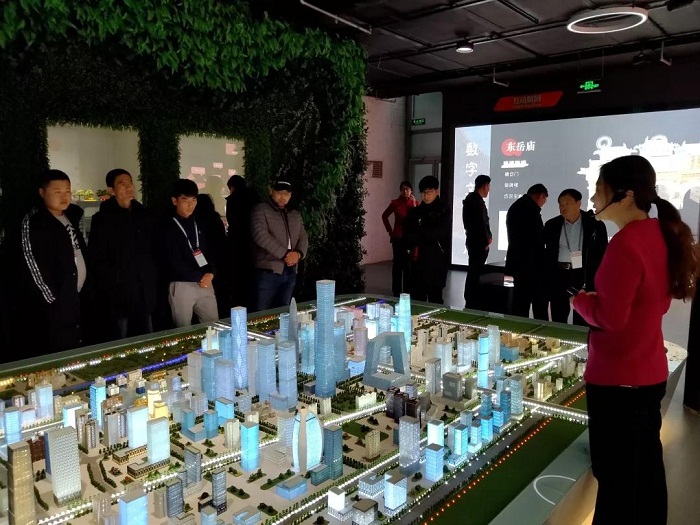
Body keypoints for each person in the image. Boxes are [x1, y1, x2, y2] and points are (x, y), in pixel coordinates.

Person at [572, 155, 698, 525]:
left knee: (616, 478)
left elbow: (611, 318)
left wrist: (581, 302)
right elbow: (651, 302)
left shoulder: (625, 244)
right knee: (645, 471)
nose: (593, 198)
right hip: (647, 371)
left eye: (599, 189)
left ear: (625, 195)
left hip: (617, 379)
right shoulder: (660, 234)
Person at [19, 169, 87, 355]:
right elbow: (32, 264)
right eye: (57, 192)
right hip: (55, 304)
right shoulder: (36, 222)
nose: (64, 197)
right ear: (42, 192)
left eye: (67, 192)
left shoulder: (71, 216)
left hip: (76, 297)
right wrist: (53, 299)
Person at [88, 169, 158, 341]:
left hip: (144, 287)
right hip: (118, 291)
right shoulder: (102, 219)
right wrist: (112, 281)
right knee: (120, 336)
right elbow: (98, 258)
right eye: (122, 184)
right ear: (111, 190)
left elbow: (152, 249)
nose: (128, 188)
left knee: (146, 335)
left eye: (130, 183)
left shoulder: (143, 215)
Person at [543, 188, 607, 325]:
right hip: (559, 274)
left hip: (583, 274)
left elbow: (602, 253)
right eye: (560, 204)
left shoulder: (595, 225)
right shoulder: (552, 225)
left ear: (579, 203)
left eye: (567, 203)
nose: (563, 207)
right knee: (558, 316)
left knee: (582, 317)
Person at [161, 179, 218, 327]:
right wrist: (200, 276)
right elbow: (170, 260)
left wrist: (211, 272)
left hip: (205, 281)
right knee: (183, 329)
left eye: (194, 200)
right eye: (185, 200)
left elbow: (209, 250)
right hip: (182, 283)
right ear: (174, 201)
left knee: (213, 326)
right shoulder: (166, 226)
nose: (191, 204)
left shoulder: (198, 222)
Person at [250, 179, 308, 311]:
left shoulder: (295, 213)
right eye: (279, 193)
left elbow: (303, 236)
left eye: (287, 194)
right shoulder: (261, 209)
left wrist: (298, 254)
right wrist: (285, 254)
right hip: (268, 270)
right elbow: (260, 235)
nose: (283, 197)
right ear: (271, 191)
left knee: (284, 311)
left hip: (291, 269)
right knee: (262, 312)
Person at [403, 175, 450, 304]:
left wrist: (420, 232)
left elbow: (437, 233)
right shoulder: (415, 211)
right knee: (417, 298)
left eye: (429, 191)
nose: (426, 195)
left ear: (437, 191)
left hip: (436, 260)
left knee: (435, 297)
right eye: (423, 192)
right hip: (418, 261)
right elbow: (408, 234)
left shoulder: (444, 210)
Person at [505, 183, 549, 320]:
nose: (544, 203)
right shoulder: (531, 209)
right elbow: (537, 238)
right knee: (538, 304)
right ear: (541, 196)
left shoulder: (516, 206)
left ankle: (518, 329)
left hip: (517, 263)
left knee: (519, 304)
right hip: (532, 266)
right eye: (545, 199)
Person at [194, 193, 229, 318]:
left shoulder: (196, 221)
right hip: (219, 260)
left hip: (204, 262)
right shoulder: (215, 219)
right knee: (220, 293)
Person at [381, 180, 418, 297]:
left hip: (410, 238)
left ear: (411, 190)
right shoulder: (395, 203)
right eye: (403, 189)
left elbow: (417, 219)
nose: (405, 191)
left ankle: (407, 290)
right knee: (397, 264)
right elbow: (384, 216)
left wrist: (414, 204)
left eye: (407, 189)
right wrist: (390, 231)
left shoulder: (415, 203)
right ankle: (396, 291)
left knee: (408, 266)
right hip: (398, 236)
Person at [225, 175, 257, 309]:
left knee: (238, 280)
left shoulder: (233, 200)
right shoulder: (256, 197)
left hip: (237, 244)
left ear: (232, 187)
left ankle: (239, 306)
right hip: (254, 244)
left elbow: (232, 222)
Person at [462, 174, 492, 310]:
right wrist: (486, 241)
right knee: (475, 271)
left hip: (472, 241)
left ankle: (470, 297)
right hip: (478, 243)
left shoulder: (471, 200)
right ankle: (472, 297)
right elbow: (480, 225)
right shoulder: (477, 202)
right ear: (485, 186)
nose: (489, 189)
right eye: (488, 186)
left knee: (473, 270)